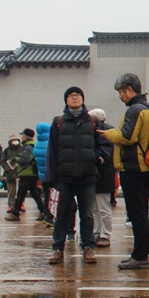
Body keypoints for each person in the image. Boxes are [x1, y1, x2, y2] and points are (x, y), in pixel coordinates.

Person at [98, 73, 149, 269]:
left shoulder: (135, 110)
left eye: (121, 92)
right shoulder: (148, 107)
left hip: (134, 167)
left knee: (137, 213)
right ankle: (140, 254)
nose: (120, 96)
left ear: (129, 89)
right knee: (139, 211)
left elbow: (127, 137)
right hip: (144, 165)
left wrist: (108, 134)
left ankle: (140, 256)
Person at [44, 86, 99, 264]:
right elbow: (51, 150)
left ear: (83, 99)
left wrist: (98, 157)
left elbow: (103, 144)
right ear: (66, 100)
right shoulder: (58, 122)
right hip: (64, 176)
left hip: (87, 175)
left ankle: (88, 247)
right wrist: (50, 176)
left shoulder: (93, 121)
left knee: (87, 214)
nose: (75, 98)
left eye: (78, 95)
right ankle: (58, 248)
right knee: (61, 214)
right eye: (71, 95)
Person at [88, 109, 116, 247]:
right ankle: (97, 232)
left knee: (103, 208)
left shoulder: (106, 135)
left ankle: (105, 234)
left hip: (104, 174)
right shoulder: (95, 133)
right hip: (95, 174)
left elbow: (107, 156)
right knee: (94, 208)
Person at [6, 129, 44, 221]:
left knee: (21, 194)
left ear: (26, 137)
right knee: (35, 193)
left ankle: (15, 214)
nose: (21, 137)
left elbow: (24, 160)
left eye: (23, 135)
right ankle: (44, 212)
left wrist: (16, 159)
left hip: (26, 173)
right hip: (32, 173)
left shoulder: (27, 147)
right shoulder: (34, 145)